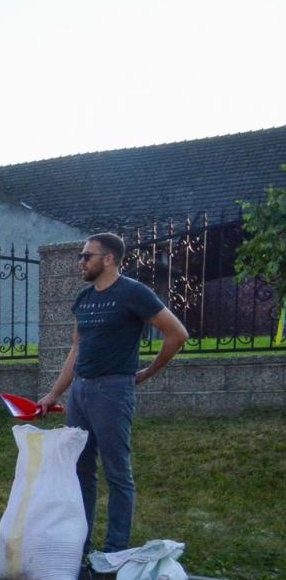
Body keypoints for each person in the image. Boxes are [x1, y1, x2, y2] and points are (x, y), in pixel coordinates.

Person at [37, 232, 188, 556]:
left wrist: (148, 372)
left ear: (108, 259)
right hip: (81, 391)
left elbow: (177, 333)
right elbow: (76, 348)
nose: (81, 261)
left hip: (113, 390)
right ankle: (81, 548)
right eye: (81, 256)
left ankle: (115, 551)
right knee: (81, 470)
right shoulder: (83, 299)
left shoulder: (134, 293)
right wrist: (53, 394)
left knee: (117, 471)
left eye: (87, 256)